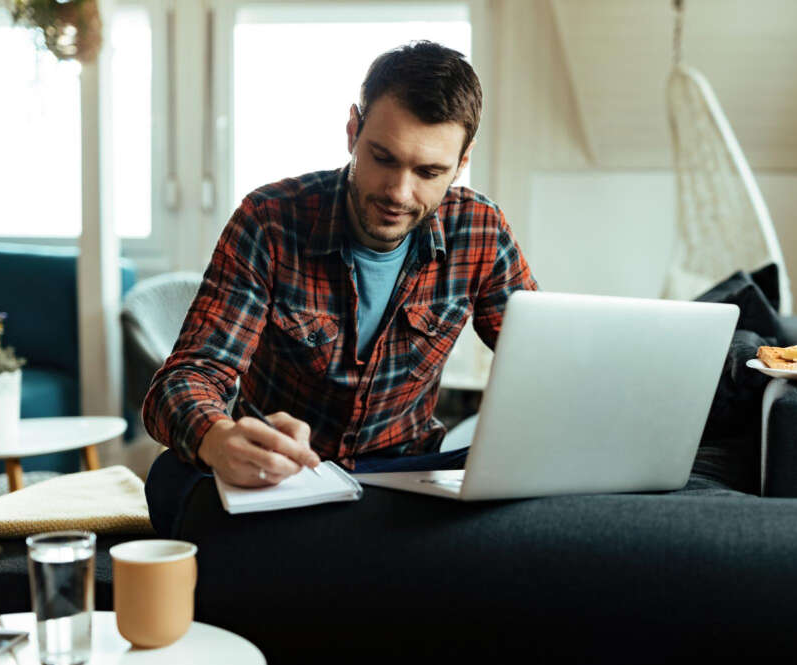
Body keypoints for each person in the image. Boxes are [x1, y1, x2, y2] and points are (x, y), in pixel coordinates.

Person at [142, 41, 538, 536]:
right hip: (282, 480)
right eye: (383, 158)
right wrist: (219, 438)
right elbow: (181, 382)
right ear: (353, 131)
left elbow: (544, 369)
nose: (399, 192)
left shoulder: (480, 230)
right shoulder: (269, 221)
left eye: (429, 172)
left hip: (404, 481)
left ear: (461, 163)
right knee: (170, 478)